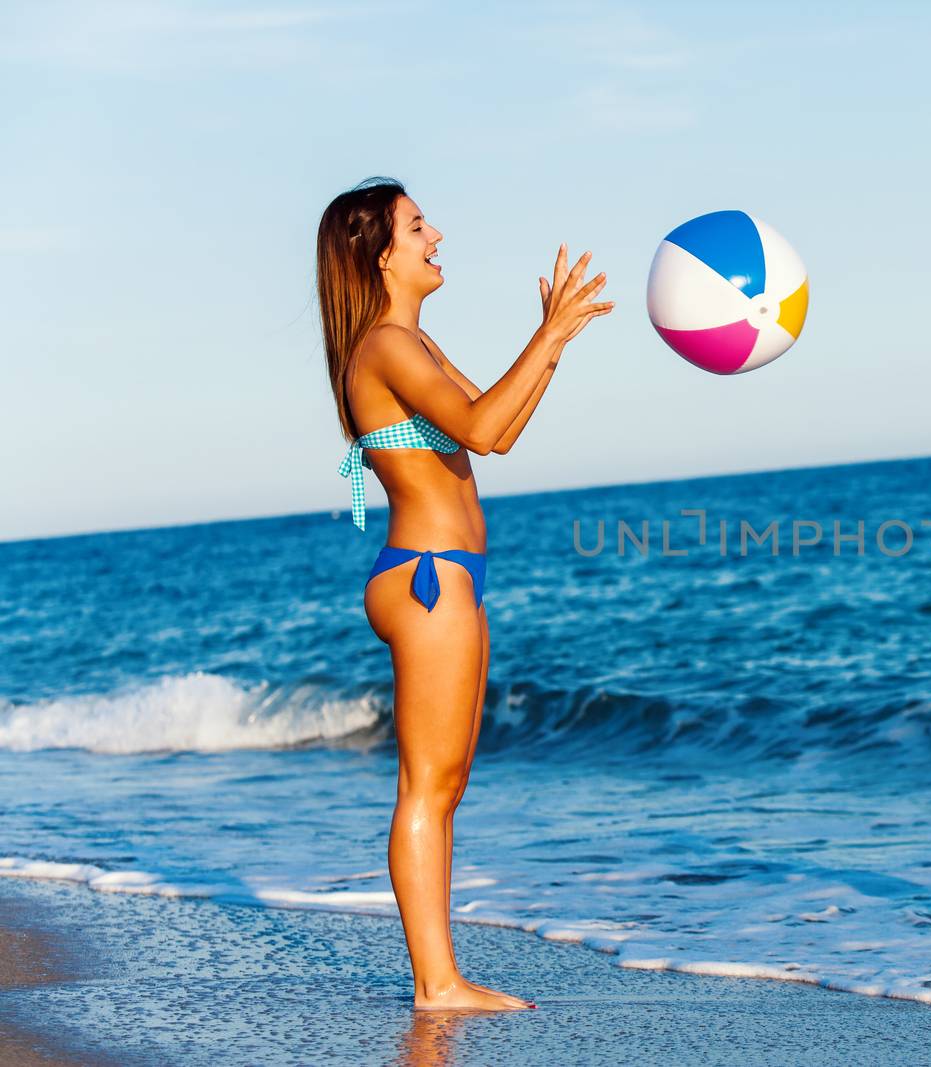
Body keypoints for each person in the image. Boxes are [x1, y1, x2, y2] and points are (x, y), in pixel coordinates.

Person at [315, 176, 613, 1010]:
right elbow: (483, 428)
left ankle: (440, 977)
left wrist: (556, 340)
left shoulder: (414, 343)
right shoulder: (385, 346)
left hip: (448, 576)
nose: (435, 233)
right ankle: (437, 985)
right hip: (426, 576)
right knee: (427, 785)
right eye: (417, 226)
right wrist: (546, 329)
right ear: (378, 254)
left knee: (445, 785)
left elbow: (498, 425)